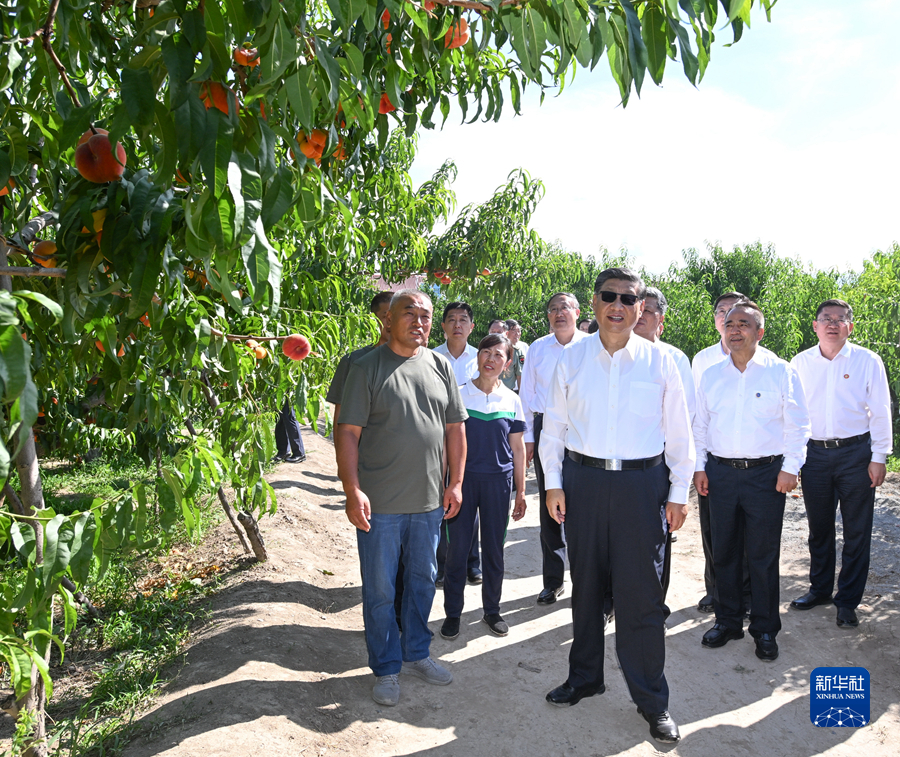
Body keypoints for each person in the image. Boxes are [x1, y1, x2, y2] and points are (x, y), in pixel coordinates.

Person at [540, 268, 694, 744]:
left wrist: (677, 492)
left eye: (628, 299)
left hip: (641, 486)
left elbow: (680, 435)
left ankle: (652, 701)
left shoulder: (661, 362)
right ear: (595, 301)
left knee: (641, 595)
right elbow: (553, 430)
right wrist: (553, 484)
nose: (618, 306)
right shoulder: (572, 359)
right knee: (585, 587)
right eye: (609, 296)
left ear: (641, 308)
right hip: (582, 482)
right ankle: (584, 677)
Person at [335, 289, 468, 707]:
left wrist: (456, 482)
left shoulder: (440, 365)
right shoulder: (366, 366)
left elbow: (455, 431)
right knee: (378, 590)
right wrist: (351, 489)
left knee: (422, 581)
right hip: (381, 506)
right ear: (388, 320)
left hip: (429, 503)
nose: (419, 321)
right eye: (408, 312)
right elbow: (347, 432)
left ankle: (417, 652)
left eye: (426, 315)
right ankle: (387, 667)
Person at [693, 300, 810, 663]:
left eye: (744, 324)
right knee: (723, 551)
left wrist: (791, 467)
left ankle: (764, 629)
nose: (735, 329)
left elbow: (798, 424)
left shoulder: (780, 371)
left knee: (761, 556)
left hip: (765, 475)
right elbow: (701, 426)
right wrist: (699, 467)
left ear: (759, 332)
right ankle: (727, 622)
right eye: (729, 324)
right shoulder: (712, 375)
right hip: (721, 472)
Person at [789, 299, 893, 628]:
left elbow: (880, 411)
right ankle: (819, 590)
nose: (833, 324)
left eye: (840, 319)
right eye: (826, 319)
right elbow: (792, 415)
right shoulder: (800, 363)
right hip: (814, 455)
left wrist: (879, 456)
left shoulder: (867, 361)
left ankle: (847, 600)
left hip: (856, 455)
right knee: (819, 529)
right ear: (815, 326)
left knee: (857, 531)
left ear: (851, 326)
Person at [441, 334, 527, 640]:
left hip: (499, 484)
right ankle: (452, 613)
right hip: (463, 482)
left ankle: (492, 610)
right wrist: (446, 483)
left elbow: (518, 449)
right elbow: (445, 444)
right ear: (478, 358)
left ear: (506, 364)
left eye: (498, 355)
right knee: (457, 550)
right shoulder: (459, 395)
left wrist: (520, 491)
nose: (491, 359)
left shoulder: (513, 400)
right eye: (486, 353)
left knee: (493, 550)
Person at [690, 291, 760, 614]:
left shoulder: (764, 360)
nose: (726, 318)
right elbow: (698, 415)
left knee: (747, 537)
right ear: (717, 319)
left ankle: (746, 596)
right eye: (721, 312)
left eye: (734, 314)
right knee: (714, 532)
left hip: (753, 465)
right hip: (715, 462)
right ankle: (714, 590)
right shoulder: (702, 359)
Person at [519, 293, 588, 605]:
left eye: (565, 308)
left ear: (577, 312)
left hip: (583, 429)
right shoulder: (538, 348)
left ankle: (587, 584)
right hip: (546, 427)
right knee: (551, 506)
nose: (559, 313)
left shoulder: (593, 345)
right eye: (553, 309)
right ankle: (553, 581)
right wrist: (528, 437)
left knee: (584, 507)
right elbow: (527, 393)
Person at [633, 286, 696, 598]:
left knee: (656, 541)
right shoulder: (608, 353)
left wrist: (679, 482)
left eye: (649, 310)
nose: (640, 314)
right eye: (637, 306)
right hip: (612, 469)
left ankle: (655, 602)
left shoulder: (674, 358)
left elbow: (686, 420)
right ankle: (610, 602)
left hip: (656, 467)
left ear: (661, 320)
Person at [326, 291, 392, 424]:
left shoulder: (411, 361)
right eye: (386, 316)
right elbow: (341, 414)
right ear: (373, 320)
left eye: (397, 316)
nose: (392, 322)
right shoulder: (353, 361)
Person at [433, 301, 479, 387]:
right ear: (444, 326)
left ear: (471, 327)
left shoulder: (479, 359)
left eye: (463, 320)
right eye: (452, 320)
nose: (457, 325)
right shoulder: (432, 357)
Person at [273, 399, 307, 463]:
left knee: (289, 416)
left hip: (288, 391)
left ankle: (299, 453)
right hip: (279, 390)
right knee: (280, 419)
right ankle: (283, 452)